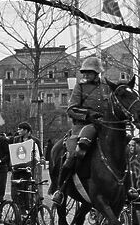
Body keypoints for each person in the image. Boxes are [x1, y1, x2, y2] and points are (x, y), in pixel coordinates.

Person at [50, 57, 105, 204]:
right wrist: (88, 114)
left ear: (97, 73)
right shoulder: (79, 87)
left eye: (89, 72)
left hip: (103, 127)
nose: (85, 75)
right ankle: (60, 189)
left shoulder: (106, 87)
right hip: (81, 128)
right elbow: (71, 109)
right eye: (84, 72)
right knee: (74, 154)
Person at [9, 120, 43, 211]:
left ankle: (27, 211)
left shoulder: (35, 141)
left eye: (20, 129)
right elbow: (13, 153)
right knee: (15, 192)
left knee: (26, 191)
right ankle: (18, 212)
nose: (18, 131)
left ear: (26, 130)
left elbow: (39, 154)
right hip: (17, 169)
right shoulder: (16, 139)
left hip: (28, 170)